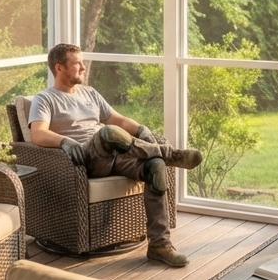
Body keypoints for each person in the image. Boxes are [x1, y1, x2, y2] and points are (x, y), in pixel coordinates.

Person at [28, 43, 203, 267]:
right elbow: (38, 134)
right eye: (77, 63)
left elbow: (118, 119)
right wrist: (65, 142)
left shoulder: (89, 93)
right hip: (84, 159)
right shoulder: (45, 99)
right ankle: (171, 154)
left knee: (156, 166)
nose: (83, 67)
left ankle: (159, 245)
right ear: (60, 68)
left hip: (114, 156)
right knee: (108, 133)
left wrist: (142, 130)